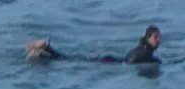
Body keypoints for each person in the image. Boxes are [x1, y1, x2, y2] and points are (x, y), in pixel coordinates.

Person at [26, 25, 160, 64]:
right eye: (155, 37)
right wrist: (159, 62)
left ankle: (46, 51)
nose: (158, 39)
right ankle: (46, 50)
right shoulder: (145, 53)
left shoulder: (143, 49)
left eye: (159, 37)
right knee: (69, 59)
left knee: (70, 58)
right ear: (147, 38)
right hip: (109, 62)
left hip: (111, 60)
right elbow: (134, 60)